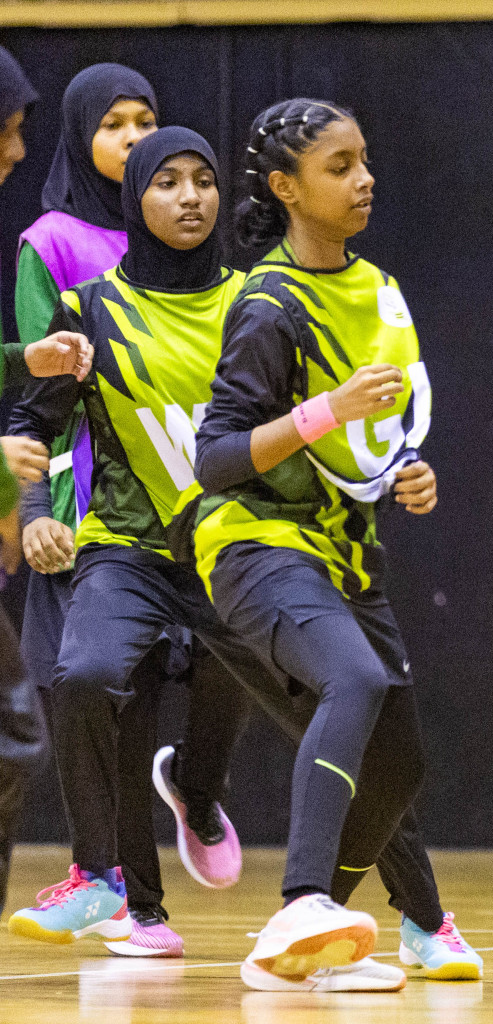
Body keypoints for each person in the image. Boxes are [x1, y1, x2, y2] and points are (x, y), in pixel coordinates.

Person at [193, 99, 479, 992]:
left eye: (365, 161)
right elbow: (216, 460)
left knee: (398, 767)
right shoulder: (268, 307)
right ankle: (303, 898)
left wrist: (408, 474)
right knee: (351, 681)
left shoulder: (380, 288)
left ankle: (316, 942)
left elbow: (374, 442)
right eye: (339, 166)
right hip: (255, 545)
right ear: (285, 188)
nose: (364, 180)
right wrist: (326, 410)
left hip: (346, 553)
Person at [7, 62, 249, 958]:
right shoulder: (72, 271)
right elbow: (37, 393)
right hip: (105, 517)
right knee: (99, 684)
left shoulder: (246, 300)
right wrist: (39, 507)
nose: (184, 196)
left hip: (223, 539)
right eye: (117, 126)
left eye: (200, 178)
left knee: (280, 671)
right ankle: (121, 891)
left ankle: (203, 790)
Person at [0, 48, 107, 919]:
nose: (16, 149)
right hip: (71, 507)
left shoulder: (212, 267)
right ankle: (104, 878)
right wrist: (23, 500)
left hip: (171, 518)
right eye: (9, 127)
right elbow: (35, 414)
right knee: (28, 719)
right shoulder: (53, 244)